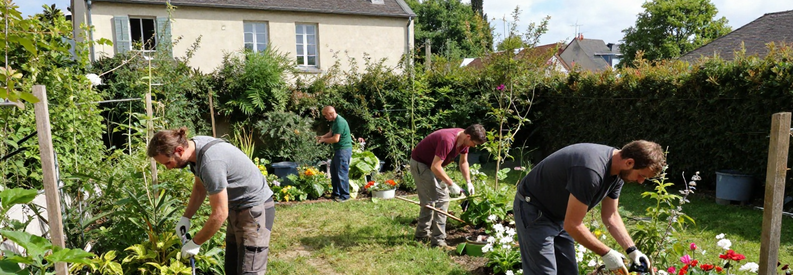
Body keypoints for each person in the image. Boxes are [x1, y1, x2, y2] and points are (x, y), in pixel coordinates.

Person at [513, 140, 664, 274]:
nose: (640, 181)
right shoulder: (591, 171)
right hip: (534, 210)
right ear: (629, 163)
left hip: (559, 214)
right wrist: (607, 253)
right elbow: (572, 224)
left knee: (568, 271)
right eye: (641, 175)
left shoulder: (617, 172)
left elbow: (610, 215)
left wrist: (632, 250)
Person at [147, 127, 275, 274]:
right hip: (237, 208)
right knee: (232, 269)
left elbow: (220, 213)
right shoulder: (196, 150)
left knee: (249, 271)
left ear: (180, 150)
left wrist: (195, 243)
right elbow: (200, 187)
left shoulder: (210, 162)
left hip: (255, 210)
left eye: (167, 163)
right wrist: (186, 217)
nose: (168, 168)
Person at [410, 124, 486, 247]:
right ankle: (429, 238)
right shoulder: (448, 140)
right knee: (431, 200)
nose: (474, 146)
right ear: (468, 136)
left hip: (434, 166)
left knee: (441, 199)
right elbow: (435, 166)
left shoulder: (464, 141)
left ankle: (431, 237)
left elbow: (463, 162)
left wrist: (468, 182)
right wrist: (451, 184)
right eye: (474, 144)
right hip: (421, 164)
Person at [316, 106, 353, 202]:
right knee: (334, 171)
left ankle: (345, 196)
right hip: (339, 150)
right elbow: (330, 133)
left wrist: (323, 140)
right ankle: (336, 194)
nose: (325, 117)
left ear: (330, 113)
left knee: (341, 173)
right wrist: (321, 137)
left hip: (343, 150)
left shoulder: (340, 122)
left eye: (325, 115)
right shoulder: (335, 122)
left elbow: (335, 139)